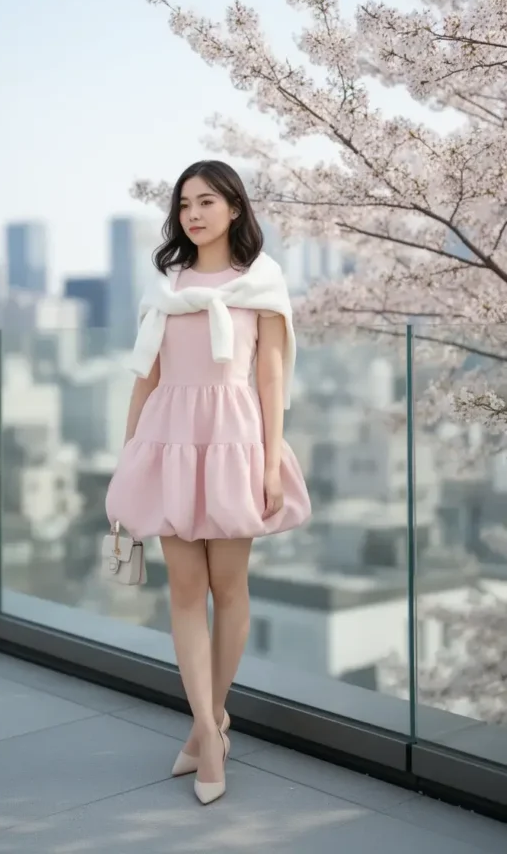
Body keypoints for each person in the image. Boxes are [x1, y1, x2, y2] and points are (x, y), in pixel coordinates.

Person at [105, 159, 311, 805]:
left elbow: (271, 377)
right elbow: (146, 376)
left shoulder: (261, 281)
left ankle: (208, 724)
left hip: (232, 440)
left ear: (234, 208)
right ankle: (209, 732)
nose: (192, 214)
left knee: (230, 586)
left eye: (206, 202)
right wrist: (129, 456)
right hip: (168, 439)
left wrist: (270, 461)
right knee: (186, 590)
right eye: (184, 204)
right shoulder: (166, 286)